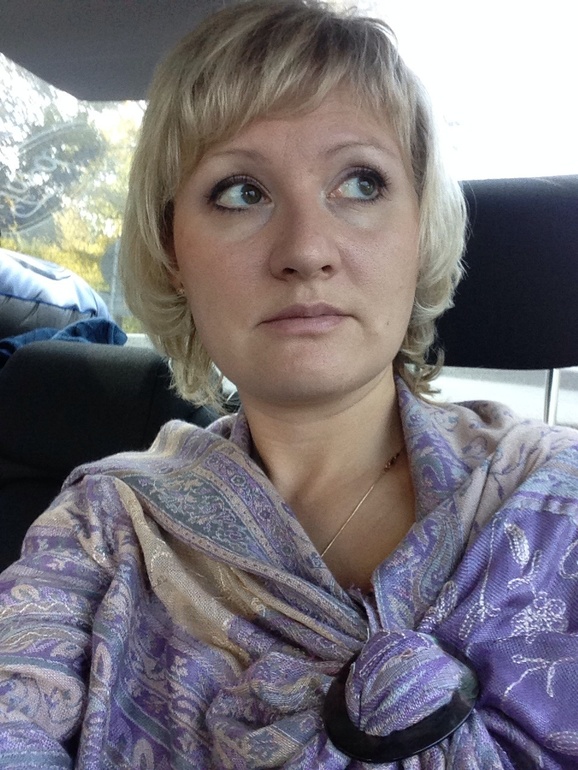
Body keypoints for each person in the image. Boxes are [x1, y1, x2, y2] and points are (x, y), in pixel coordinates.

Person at [0, 0, 576, 767]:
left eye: (361, 183)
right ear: (174, 252)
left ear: (419, 232)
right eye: (241, 191)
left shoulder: (558, 496)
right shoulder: (101, 529)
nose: (306, 249)